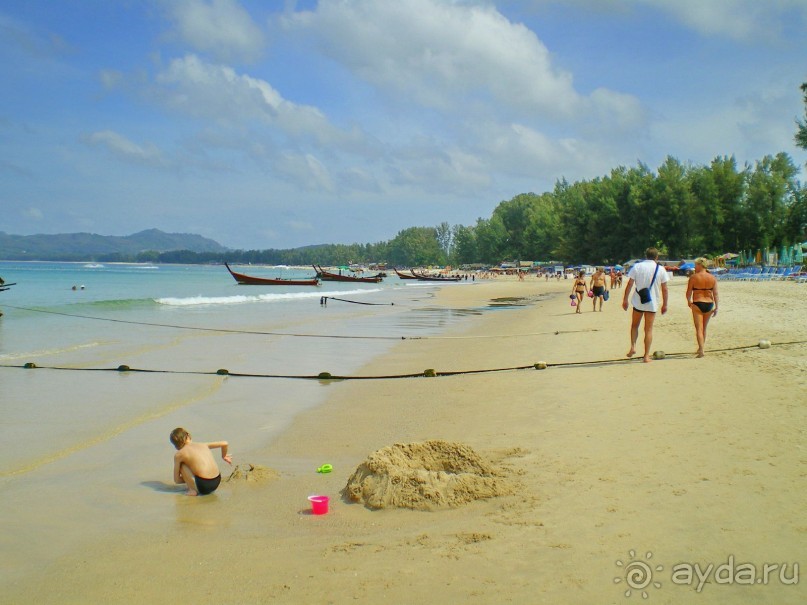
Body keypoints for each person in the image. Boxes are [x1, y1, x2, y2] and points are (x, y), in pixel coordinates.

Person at [622, 248, 669, 363]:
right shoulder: (661, 269)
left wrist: (625, 300)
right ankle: (646, 356)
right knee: (648, 330)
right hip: (652, 302)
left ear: (646, 255)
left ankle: (633, 346)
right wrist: (665, 304)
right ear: (656, 257)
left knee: (634, 326)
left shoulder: (637, 267)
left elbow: (630, 284)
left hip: (638, 301)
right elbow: (665, 289)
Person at [170, 427, 232, 496]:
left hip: (204, 486)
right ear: (188, 435)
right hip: (217, 481)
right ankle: (195, 483)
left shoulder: (179, 454)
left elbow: (177, 480)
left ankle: (192, 490)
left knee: (182, 465)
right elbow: (225, 443)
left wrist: (190, 480)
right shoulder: (203, 445)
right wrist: (224, 456)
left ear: (176, 445)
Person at [685, 257, 719, 358]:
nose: (694, 267)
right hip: (709, 303)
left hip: (698, 303)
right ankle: (701, 348)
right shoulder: (712, 278)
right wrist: (717, 307)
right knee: (704, 328)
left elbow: (688, 292)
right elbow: (716, 294)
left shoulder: (694, 277)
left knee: (699, 328)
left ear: (700, 265)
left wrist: (689, 301)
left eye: (695, 265)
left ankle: (701, 350)